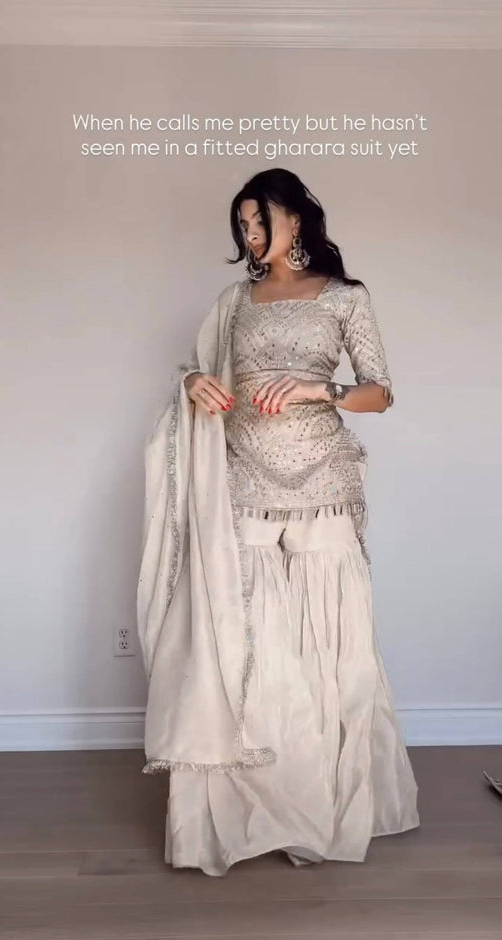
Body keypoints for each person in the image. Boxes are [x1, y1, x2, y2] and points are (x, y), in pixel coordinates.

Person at [137, 168, 420, 878]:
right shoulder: (235, 301)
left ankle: (319, 806)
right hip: (241, 480)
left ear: (296, 217)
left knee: (325, 641)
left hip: (323, 480)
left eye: (259, 220)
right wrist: (192, 384)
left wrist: (319, 387)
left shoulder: (345, 298)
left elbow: (381, 393)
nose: (250, 234)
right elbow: (202, 374)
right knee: (244, 638)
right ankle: (243, 811)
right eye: (242, 225)